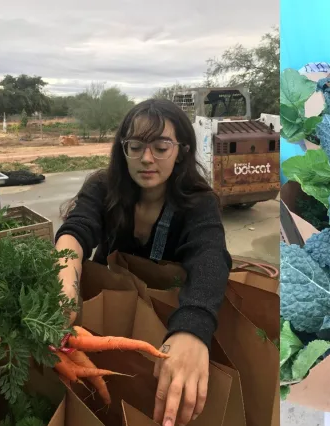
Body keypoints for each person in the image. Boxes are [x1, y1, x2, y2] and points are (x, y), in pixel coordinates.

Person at [54, 98, 232, 426]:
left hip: (165, 323)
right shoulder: (103, 186)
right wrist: (65, 282)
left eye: (161, 147)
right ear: (123, 150)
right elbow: (76, 231)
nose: (146, 158)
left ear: (182, 150)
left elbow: (210, 257)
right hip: (104, 316)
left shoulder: (198, 202)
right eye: (135, 146)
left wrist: (193, 328)